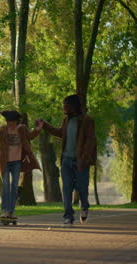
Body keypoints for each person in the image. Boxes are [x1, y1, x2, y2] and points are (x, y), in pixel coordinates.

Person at [38, 94, 96, 228]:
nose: (64, 107)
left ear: (73, 105)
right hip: (66, 160)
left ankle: (85, 206)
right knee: (66, 188)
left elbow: (90, 141)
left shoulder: (87, 120)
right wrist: (44, 125)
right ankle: (68, 217)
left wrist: (85, 159)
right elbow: (60, 133)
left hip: (81, 161)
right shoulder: (66, 120)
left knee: (82, 188)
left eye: (66, 105)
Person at [0, 110, 43, 220]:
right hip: (5, 163)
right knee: (6, 186)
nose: (10, 124)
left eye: (12, 122)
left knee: (14, 187)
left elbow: (30, 136)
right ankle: (4, 211)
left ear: (16, 121)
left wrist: (39, 128)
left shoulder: (22, 129)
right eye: (8, 122)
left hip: (17, 162)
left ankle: (11, 212)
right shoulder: (3, 129)